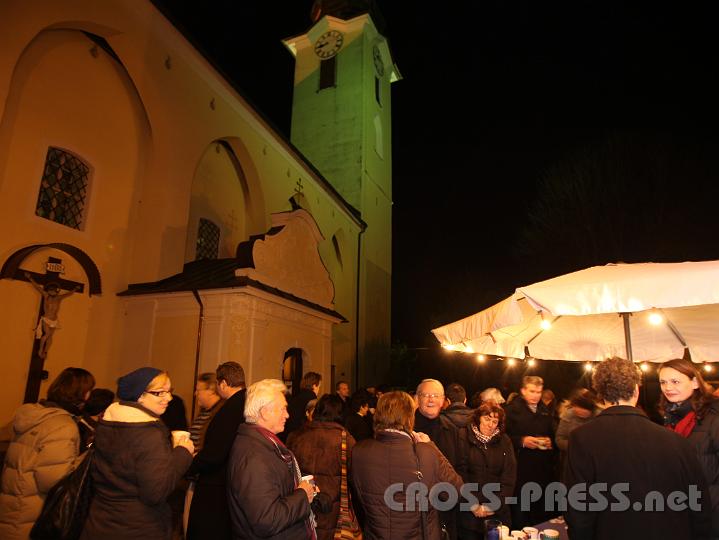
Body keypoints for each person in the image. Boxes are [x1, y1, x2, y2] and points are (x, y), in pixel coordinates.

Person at [565, 357, 712, 540]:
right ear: (636, 390)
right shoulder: (676, 441)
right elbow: (698, 506)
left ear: (600, 392)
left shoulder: (581, 438)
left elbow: (578, 507)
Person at [81, 367, 194, 540]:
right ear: (139, 395)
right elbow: (156, 492)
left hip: (100, 520)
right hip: (138, 526)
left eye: (169, 391)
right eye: (160, 393)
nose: (169, 398)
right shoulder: (149, 433)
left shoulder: (108, 424)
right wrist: (183, 453)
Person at [351, 391, 465, 539]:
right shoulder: (426, 452)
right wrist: (432, 447)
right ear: (409, 417)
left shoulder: (359, 451)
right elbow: (456, 493)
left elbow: (359, 499)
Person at [0, 367, 95, 540]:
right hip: (33, 513)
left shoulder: (32, 415)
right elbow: (53, 481)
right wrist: (86, 457)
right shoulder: (61, 425)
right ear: (84, 394)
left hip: (13, 505)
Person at [227, 379, 317, 539]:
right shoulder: (253, 456)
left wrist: (308, 493)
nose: (287, 415)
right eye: (282, 409)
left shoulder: (262, 444)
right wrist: (302, 495)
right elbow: (267, 520)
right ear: (264, 412)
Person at [658, 357, 719, 537]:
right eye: (663, 382)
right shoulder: (670, 419)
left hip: (711, 512)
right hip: (682, 508)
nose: (668, 388)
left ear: (694, 382)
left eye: (675, 381)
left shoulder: (713, 417)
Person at [186, 361, 247, 540]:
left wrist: (191, 464)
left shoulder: (230, 408)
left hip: (217, 485)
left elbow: (216, 453)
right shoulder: (245, 402)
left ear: (223, 384)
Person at [287, 394, 357, 540]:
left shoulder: (295, 436)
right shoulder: (346, 440)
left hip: (300, 508)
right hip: (334, 513)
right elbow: (354, 478)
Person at [414, 379, 464, 539]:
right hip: (415, 508)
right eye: (426, 395)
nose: (431, 400)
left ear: (443, 401)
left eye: (435, 395)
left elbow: (459, 466)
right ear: (417, 399)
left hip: (445, 507)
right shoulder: (407, 428)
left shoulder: (452, 430)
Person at [504, 375, 555, 529]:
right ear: (523, 391)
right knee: (520, 513)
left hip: (542, 470)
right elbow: (503, 438)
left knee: (539, 516)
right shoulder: (511, 410)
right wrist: (521, 441)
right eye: (532, 391)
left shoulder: (545, 410)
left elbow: (553, 434)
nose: (536, 395)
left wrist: (549, 441)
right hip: (520, 469)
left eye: (538, 392)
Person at [459, 402, 517, 538]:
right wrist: (473, 504)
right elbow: (460, 472)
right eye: (487, 419)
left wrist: (495, 505)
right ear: (478, 418)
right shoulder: (463, 436)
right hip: (469, 516)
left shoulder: (505, 441)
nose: (490, 424)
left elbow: (509, 477)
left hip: (498, 513)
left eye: (494, 421)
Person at [25, 272, 80, 358]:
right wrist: (30, 278)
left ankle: (45, 351)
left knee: (50, 336)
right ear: (48, 290)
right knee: (46, 334)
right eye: (50, 290)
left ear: (56, 291)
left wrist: (75, 289)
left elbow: (68, 294)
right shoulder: (46, 296)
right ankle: (40, 350)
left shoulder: (59, 298)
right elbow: (37, 287)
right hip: (46, 319)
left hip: (54, 320)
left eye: (54, 291)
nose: (52, 292)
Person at [555, 388, 598, 482]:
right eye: (576, 407)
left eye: (583, 409)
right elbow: (559, 439)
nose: (578, 411)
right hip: (572, 464)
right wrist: (575, 446)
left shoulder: (598, 417)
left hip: (593, 465)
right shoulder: (568, 415)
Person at [283, 372, 321, 440]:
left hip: (289, 434)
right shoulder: (312, 399)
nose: (319, 389)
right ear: (314, 386)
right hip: (302, 435)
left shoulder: (297, 396)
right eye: (319, 386)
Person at [77, 387, 115, 452]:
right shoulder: (83, 426)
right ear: (103, 409)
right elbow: (86, 448)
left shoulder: (82, 418)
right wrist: (93, 442)